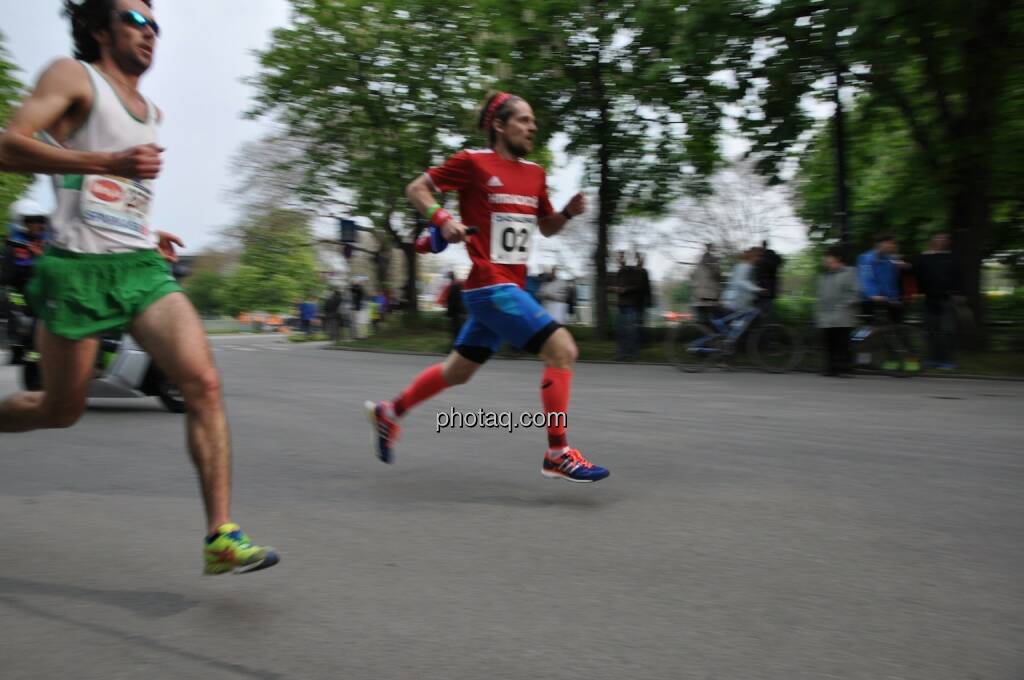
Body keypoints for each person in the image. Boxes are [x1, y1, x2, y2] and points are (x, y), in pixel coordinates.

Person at [0, 0, 277, 574]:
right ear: (101, 29)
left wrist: (145, 233)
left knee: (202, 379)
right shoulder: (72, 77)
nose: (151, 33)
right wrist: (109, 161)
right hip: (76, 270)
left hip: (137, 266)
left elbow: (111, 195)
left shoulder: (151, 110)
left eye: (156, 24)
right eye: (136, 20)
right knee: (60, 409)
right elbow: (8, 146)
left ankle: (220, 536)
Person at [365, 90, 609, 483]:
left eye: (533, 122)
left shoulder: (535, 173)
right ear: (499, 125)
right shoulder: (471, 163)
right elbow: (417, 189)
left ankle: (390, 411)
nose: (533, 127)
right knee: (562, 349)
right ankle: (558, 452)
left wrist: (565, 212)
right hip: (489, 286)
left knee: (457, 372)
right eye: (524, 120)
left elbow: (545, 226)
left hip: (511, 287)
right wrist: (442, 218)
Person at [912, 233, 961, 370]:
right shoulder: (924, 258)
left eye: (944, 239)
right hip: (929, 298)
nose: (941, 241)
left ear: (948, 242)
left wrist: (958, 293)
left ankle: (946, 360)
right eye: (938, 238)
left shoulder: (952, 258)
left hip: (946, 298)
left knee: (947, 331)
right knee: (930, 331)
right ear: (932, 241)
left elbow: (958, 276)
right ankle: (932, 359)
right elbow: (914, 272)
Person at [815, 246, 860, 377]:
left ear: (837, 258)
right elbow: (820, 295)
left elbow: (855, 292)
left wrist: (845, 304)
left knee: (842, 343)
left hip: (843, 315)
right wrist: (819, 311)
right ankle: (830, 368)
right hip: (826, 316)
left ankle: (844, 368)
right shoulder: (824, 276)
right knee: (829, 343)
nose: (825, 259)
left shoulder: (849, 272)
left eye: (828, 256)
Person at [857, 234, 903, 323]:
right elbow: (865, 278)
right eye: (890, 243)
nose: (892, 246)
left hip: (887, 299)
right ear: (881, 244)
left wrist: (894, 297)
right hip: (870, 299)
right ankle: (860, 336)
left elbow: (892, 281)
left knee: (895, 324)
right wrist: (872, 294)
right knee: (868, 328)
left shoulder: (890, 260)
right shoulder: (866, 258)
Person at [614, 251, 644, 361]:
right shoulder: (620, 271)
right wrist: (615, 289)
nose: (618, 259)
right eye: (618, 257)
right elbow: (617, 285)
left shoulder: (633, 271)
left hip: (631, 305)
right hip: (621, 304)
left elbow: (638, 286)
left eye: (620, 257)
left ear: (625, 259)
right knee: (621, 331)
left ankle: (633, 354)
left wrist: (625, 289)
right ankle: (622, 354)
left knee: (631, 331)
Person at [721, 248, 763, 314]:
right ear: (752, 256)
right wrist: (757, 289)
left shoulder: (745, 266)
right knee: (751, 315)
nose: (760, 259)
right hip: (736, 299)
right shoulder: (745, 266)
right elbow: (741, 281)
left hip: (738, 298)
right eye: (759, 256)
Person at [690, 243, 721, 327]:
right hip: (711, 295)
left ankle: (709, 336)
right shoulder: (714, 261)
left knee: (702, 322)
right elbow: (717, 276)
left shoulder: (698, 262)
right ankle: (718, 337)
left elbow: (693, 277)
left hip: (699, 296)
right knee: (716, 319)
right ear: (712, 249)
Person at [755, 239, 784, 317]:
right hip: (771, 287)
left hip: (762, 286)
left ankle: (764, 325)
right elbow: (780, 262)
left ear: (762, 245)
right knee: (768, 309)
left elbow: (758, 274)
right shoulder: (773, 256)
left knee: (762, 310)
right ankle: (767, 325)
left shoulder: (761, 258)